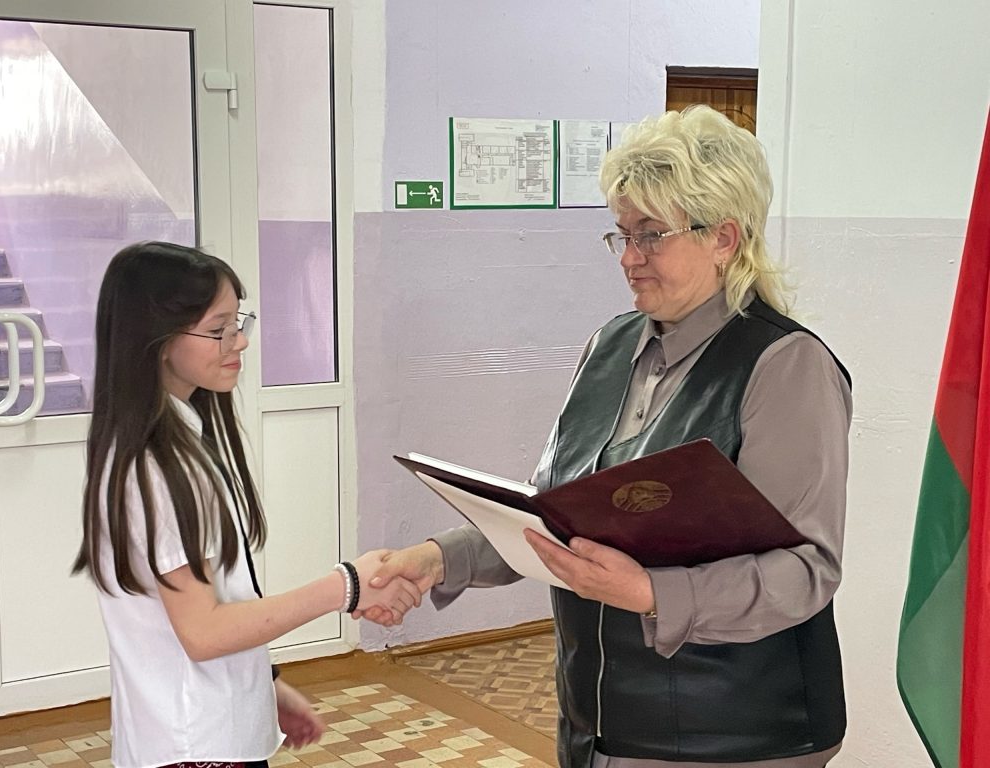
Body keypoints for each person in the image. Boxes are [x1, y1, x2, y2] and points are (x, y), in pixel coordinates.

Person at [364, 105, 852, 768]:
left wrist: (652, 594)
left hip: (736, 736)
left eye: (651, 235)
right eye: (621, 234)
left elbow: (806, 571)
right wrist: (437, 559)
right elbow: (557, 519)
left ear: (724, 238)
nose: (628, 258)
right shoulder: (610, 346)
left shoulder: (785, 365)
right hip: (600, 723)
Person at [72, 242, 421, 768]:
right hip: (194, 744)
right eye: (218, 330)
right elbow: (203, 631)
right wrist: (346, 585)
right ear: (158, 340)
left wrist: (267, 684)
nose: (239, 342)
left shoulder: (171, 443)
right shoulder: (160, 466)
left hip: (197, 731)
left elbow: (212, 604)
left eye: (238, 323)